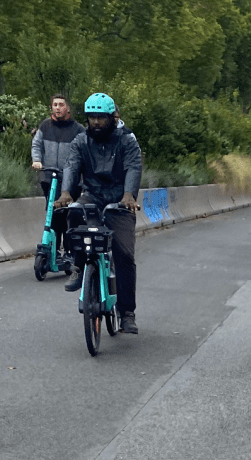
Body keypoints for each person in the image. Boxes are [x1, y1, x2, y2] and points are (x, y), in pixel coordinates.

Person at [55, 92, 142, 334]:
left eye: (101, 118)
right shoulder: (82, 140)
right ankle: (79, 265)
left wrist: (128, 195)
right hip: (92, 194)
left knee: (124, 255)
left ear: (113, 117)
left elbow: (133, 166)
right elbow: (72, 165)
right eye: (91, 117)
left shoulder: (126, 139)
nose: (95, 123)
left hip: (120, 200)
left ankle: (127, 313)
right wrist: (65, 194)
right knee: (74, 212)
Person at [31, 95, 85, 255]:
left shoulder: (78, 129)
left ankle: (70, 251)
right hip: (49, 178)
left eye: (61, 104)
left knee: (69, 215)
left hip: (71, 181)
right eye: (55, 104)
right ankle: (52, 250)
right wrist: (37, 160)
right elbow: (37, 144)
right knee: (52, 214)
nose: (57, 107)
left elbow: (84, 152)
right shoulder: (45, 126)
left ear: (67, 108)